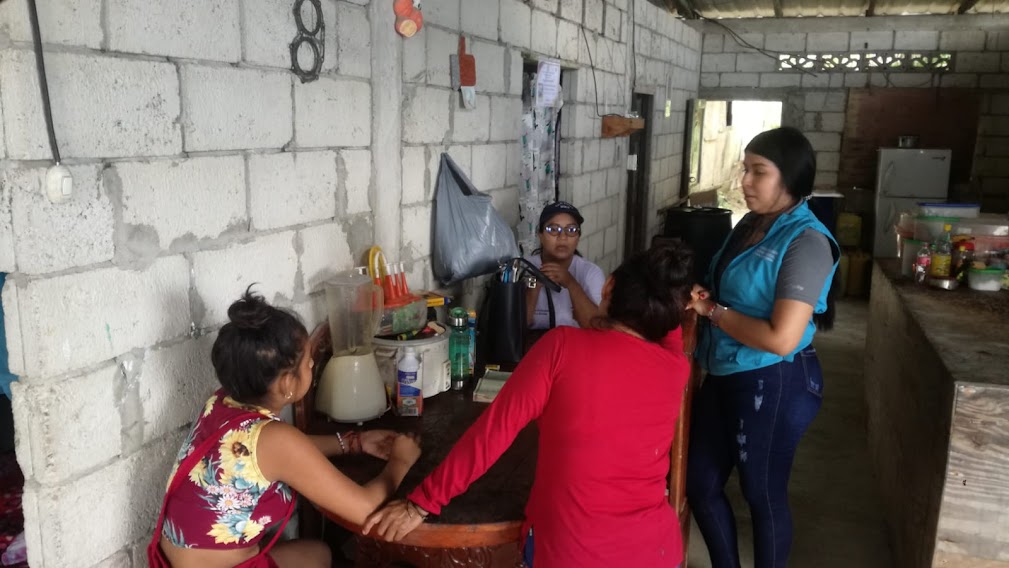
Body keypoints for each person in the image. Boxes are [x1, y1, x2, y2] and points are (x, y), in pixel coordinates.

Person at [363, 243, 696, 568]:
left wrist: (422, 503)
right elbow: (670, 333)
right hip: (657, 552)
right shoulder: (675, 367)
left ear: (608, 286)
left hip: (572, 554)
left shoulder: (562, 347)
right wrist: (679, 299)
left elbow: (493, 433)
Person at [149, 288, 421, 568]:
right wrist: (401, 460)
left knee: (318, 553)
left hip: (174, 561)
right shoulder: (274, 440)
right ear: (287, 384)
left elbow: (285, 453)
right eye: (308, 362)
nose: (312, 364)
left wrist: (354, 442)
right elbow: (364, 509)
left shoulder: (221, 402)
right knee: (326, 556)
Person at [685, 126, 840, 568]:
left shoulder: (806, 241)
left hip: (775, 379)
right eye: (745, 169)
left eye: (759, 171)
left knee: (762, 493)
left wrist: (712, 311)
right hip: (726, 370)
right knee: (700, 483)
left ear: (790, 177)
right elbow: (728, 285)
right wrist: (705, 295)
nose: (745, 181)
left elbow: (781, 338)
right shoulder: (752, 224)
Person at [524, 201, 605, 329]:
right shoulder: (525, 268)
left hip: (576, 342)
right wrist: (534, 285)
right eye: (553, 229)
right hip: (535, 341)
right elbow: (516, 327)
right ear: (540, 235)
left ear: (578, 238)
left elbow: (596, 326)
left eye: (571, 230)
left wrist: (570, 283)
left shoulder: (591, 273)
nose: (562, 237)